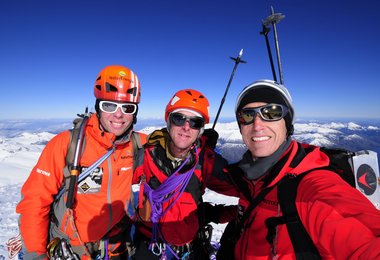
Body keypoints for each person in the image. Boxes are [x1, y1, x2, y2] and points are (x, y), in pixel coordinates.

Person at [219, 79, 380, 259]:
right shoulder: (246, 176)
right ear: (241, 126)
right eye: (247, 115)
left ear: (287, 124)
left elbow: (364, 237)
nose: (257, 125)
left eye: (271, 113)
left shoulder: (311, 185)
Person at [16, 65, 147, 259]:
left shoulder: (137, 145)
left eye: (127, 108)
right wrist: (36, 255)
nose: (118, 114)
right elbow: (35, 202)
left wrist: (202, 142)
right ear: (98, 107)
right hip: (72, 248)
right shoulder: (68, 144)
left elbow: (174, 149)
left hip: (115, 246)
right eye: (109, 105)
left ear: (134, 113)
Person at [132, 89, 238, 259]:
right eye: (179, 118)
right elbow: (114, 176)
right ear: (168, 121)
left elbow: (248, 186)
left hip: (190, 245)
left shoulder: (205, 161)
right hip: (150, 243)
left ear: (200, 130)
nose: (186, 127)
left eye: (195, 122)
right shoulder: (146, 156)